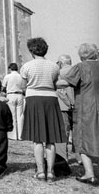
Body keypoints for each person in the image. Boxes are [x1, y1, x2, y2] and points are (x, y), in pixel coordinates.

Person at [20, 37, 66, 183]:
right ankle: (51, 172)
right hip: (50, 99)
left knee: (37, 139)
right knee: (51, 139)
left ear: (32, 51)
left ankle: (40, 172)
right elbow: (56, 83)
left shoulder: (26, 66)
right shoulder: (54, 66)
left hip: (34, 99)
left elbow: (22, 86)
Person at [59, 43, 99, 186]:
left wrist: (51, 84)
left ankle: (89, 174)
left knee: (82, 140)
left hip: (86, 108)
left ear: (81, 55)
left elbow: (66, 82)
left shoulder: (80, 67)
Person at [2, 63, 26, 140]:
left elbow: (3, 87)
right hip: (20, 95)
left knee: (12, 114)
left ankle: (13, 135)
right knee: (20, 115)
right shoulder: (21, 77)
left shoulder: (8, 76)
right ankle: (20, 135)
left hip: (11, 95)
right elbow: (24, 87)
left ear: (10, 69)